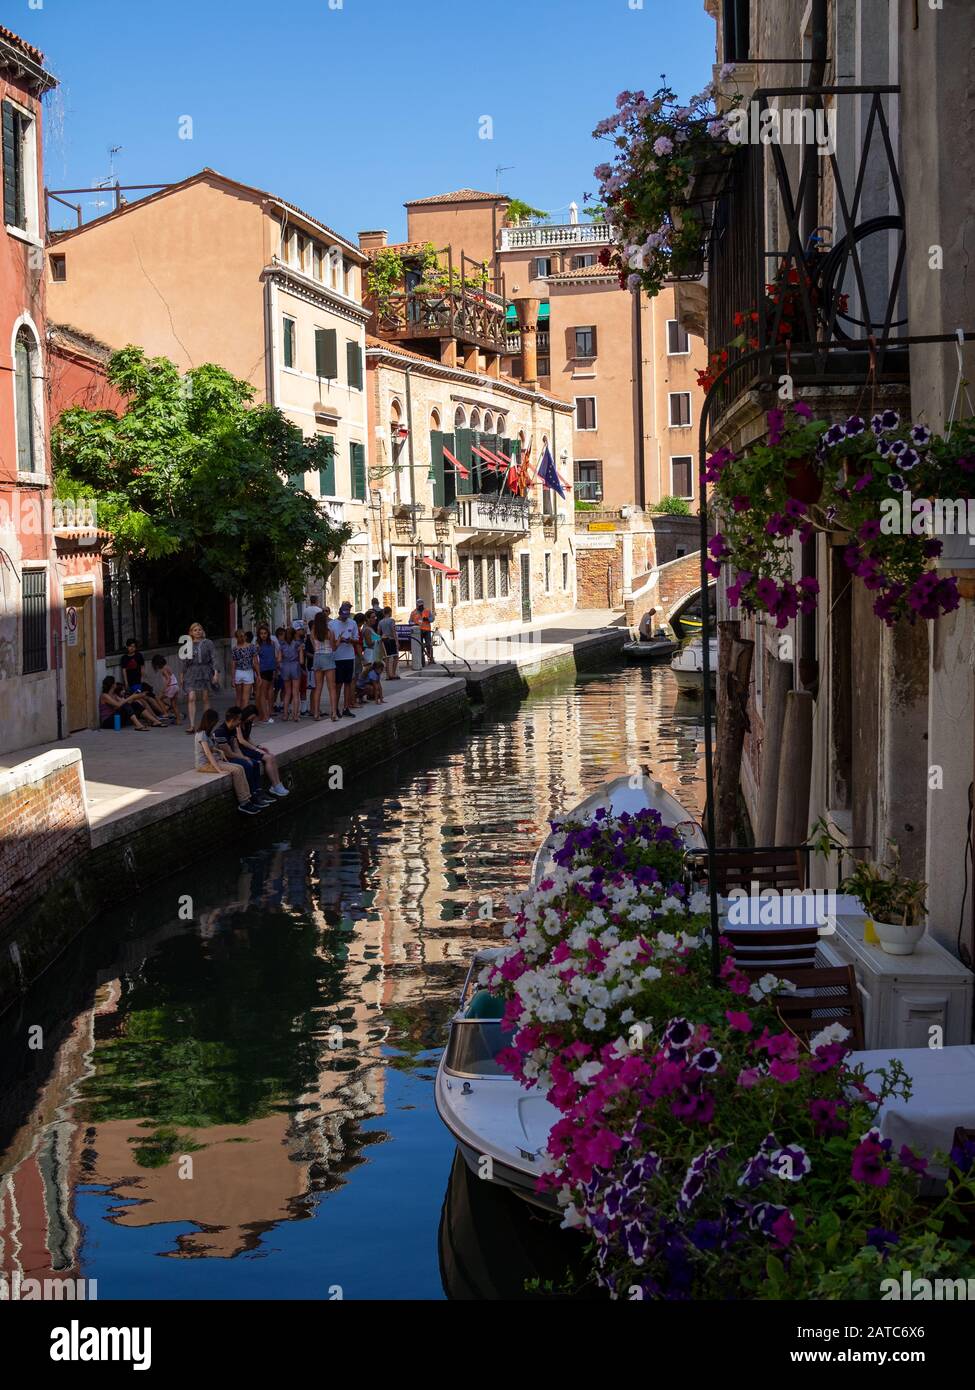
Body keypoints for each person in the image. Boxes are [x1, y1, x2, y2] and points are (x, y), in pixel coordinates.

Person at [194, 709, 267, 815]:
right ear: (210, 721)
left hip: (215, 761)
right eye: (214, 722)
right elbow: (208, 754)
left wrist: (218, 750)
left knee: (240, 768)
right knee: (237, 771)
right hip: (205, 765)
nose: (215, 725)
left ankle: (248, 798)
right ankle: (244, 802)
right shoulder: (201, 735)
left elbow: (211, 749)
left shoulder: (207, 734)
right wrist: (218, 770)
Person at [211, 707, 275, 805]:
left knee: (255, 763)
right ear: (233, 720)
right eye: (239, 720)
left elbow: (236, 748)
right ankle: (252, 795)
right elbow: (228, 753)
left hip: (233, 755)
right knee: (247, 766)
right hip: (225, 759)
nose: (240, 722)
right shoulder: (220, 732)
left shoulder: (232, 729)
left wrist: (244, 758)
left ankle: (258, 791)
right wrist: (244, 758)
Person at [236, 704, 290, 795]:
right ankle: (274, 785)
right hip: (241, 749)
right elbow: (241, 740)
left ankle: (278, 783)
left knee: (272, 756)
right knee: (268, 758)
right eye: (252, 717)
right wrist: (256, 750)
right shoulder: (238, 724)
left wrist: (258, 747)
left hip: (248, 747)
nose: (252, 720)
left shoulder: (248, 723)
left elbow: (247, 738)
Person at [180, 621, 218, 734]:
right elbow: (184, 662)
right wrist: (181, 676)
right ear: (191, 632)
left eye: (199, 629)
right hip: (191, 673)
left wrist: (216, 673)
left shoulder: (208, 643)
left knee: (205, 698)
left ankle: (206, 725)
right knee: (191, 697)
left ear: (202, 631)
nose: (198, 632)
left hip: (205, 671)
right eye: (195, 630)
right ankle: (192, 725)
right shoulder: (188, 644)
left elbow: (214, 658)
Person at [329, 601, 360, 718]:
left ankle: (346, 707)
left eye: (347, 615)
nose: (345, 618)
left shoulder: (353, 623)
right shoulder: (332, 624)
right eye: (343, 615)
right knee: (338, 684)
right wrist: (339, 640)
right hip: (337, 657)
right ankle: (335, 708)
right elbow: (330, 641)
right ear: (339, 613)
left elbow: (357, 640)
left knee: (348, 682)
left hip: (349, 656)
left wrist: (350, 640)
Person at [310, 611, 337, 721]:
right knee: (331, 687)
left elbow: (313, 646)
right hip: (328, 657)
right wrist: (338, 641)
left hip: (317, 657)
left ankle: (316, 713)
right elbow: (334, 648)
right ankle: (334, 713)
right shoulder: (329, 631)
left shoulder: (313, 632)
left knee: (318, 688)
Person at [277, 626, 303, 721]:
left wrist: (281, 665)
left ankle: (285, 715)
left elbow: (279, 659)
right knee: (295, 693)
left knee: (287, 692)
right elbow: (301, 661)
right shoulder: (297, 645)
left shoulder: (282, 645)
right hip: (295, 666)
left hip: (285, 667)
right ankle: (295, 715)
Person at [254, 622, 278, 723]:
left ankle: (267, 713)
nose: (263, 635)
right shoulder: (257, 645)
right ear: (259, 635)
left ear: (268, 633)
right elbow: (255, 661)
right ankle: (265, 716)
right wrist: (258, 674)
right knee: (263, 694)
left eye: (265, 633)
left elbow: (274, 657)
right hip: (262, 670)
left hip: (271, 670)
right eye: (261, 633)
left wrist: (275, 670)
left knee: (270, 692)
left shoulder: (272, 643)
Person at [231, 628, 259, 707]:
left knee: (239, 697)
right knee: (245, 698)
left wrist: (233, 678)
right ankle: (243, 716)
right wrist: (258, 674)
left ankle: (238, 716)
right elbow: (255, 662)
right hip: (248, 671)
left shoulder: (235, 649)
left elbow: (233, 664)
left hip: (238, 672)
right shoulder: (251, 647)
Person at [151, 653, 182, 723]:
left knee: (159, 698)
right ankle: (178, 720)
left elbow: (168, 679)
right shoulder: (167, 667)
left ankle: (165, 713)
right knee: (174, 704)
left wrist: (163, 689)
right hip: (176, 686)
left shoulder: (163, 669)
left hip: (171, 686)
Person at [410, 599, 434, 665]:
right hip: (418, 631)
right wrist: (414, 623)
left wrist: (428, 619)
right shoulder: (413, 612)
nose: (421, 607)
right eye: (419, 606)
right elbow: (410, 621)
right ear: (417, 605)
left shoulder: (427, 611)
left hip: (426, 630)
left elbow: (432, 618)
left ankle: (431, 659)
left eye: (422, 605)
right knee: (420, 646)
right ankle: (422, 661)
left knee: (428, 644)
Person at [379, 605, 400, 680]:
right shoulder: (391, 621)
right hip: (391, 639)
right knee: (395, 657)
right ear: (390, 612)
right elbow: (393, 631)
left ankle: (388, 675)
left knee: (387, 658)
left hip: (384, 639)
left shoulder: (380, 622)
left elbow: (379, 632)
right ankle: (393, 673)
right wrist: (397, 641)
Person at [361, 608, 384, 675]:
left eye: (375, 617)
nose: (375, 619)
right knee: (371, 675)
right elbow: (369, 643)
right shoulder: (367, 630)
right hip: (370, 653)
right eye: (373, 617)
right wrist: (380, 639)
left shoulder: (370, 628)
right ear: (367, 619)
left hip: (374, 653)